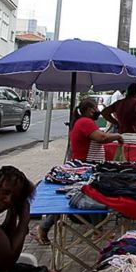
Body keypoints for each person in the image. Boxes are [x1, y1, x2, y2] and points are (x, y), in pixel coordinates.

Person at [36, 99, 122, 245]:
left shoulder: (84, 122)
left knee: (90, 196)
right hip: (83, 167)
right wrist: (118, 137)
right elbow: (100, 138)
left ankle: (97, 230)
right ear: (90, 109)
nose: (98, 111)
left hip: (86, 165)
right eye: (96, 108)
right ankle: (96, 230)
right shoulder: (85, 122)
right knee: (89, 196)